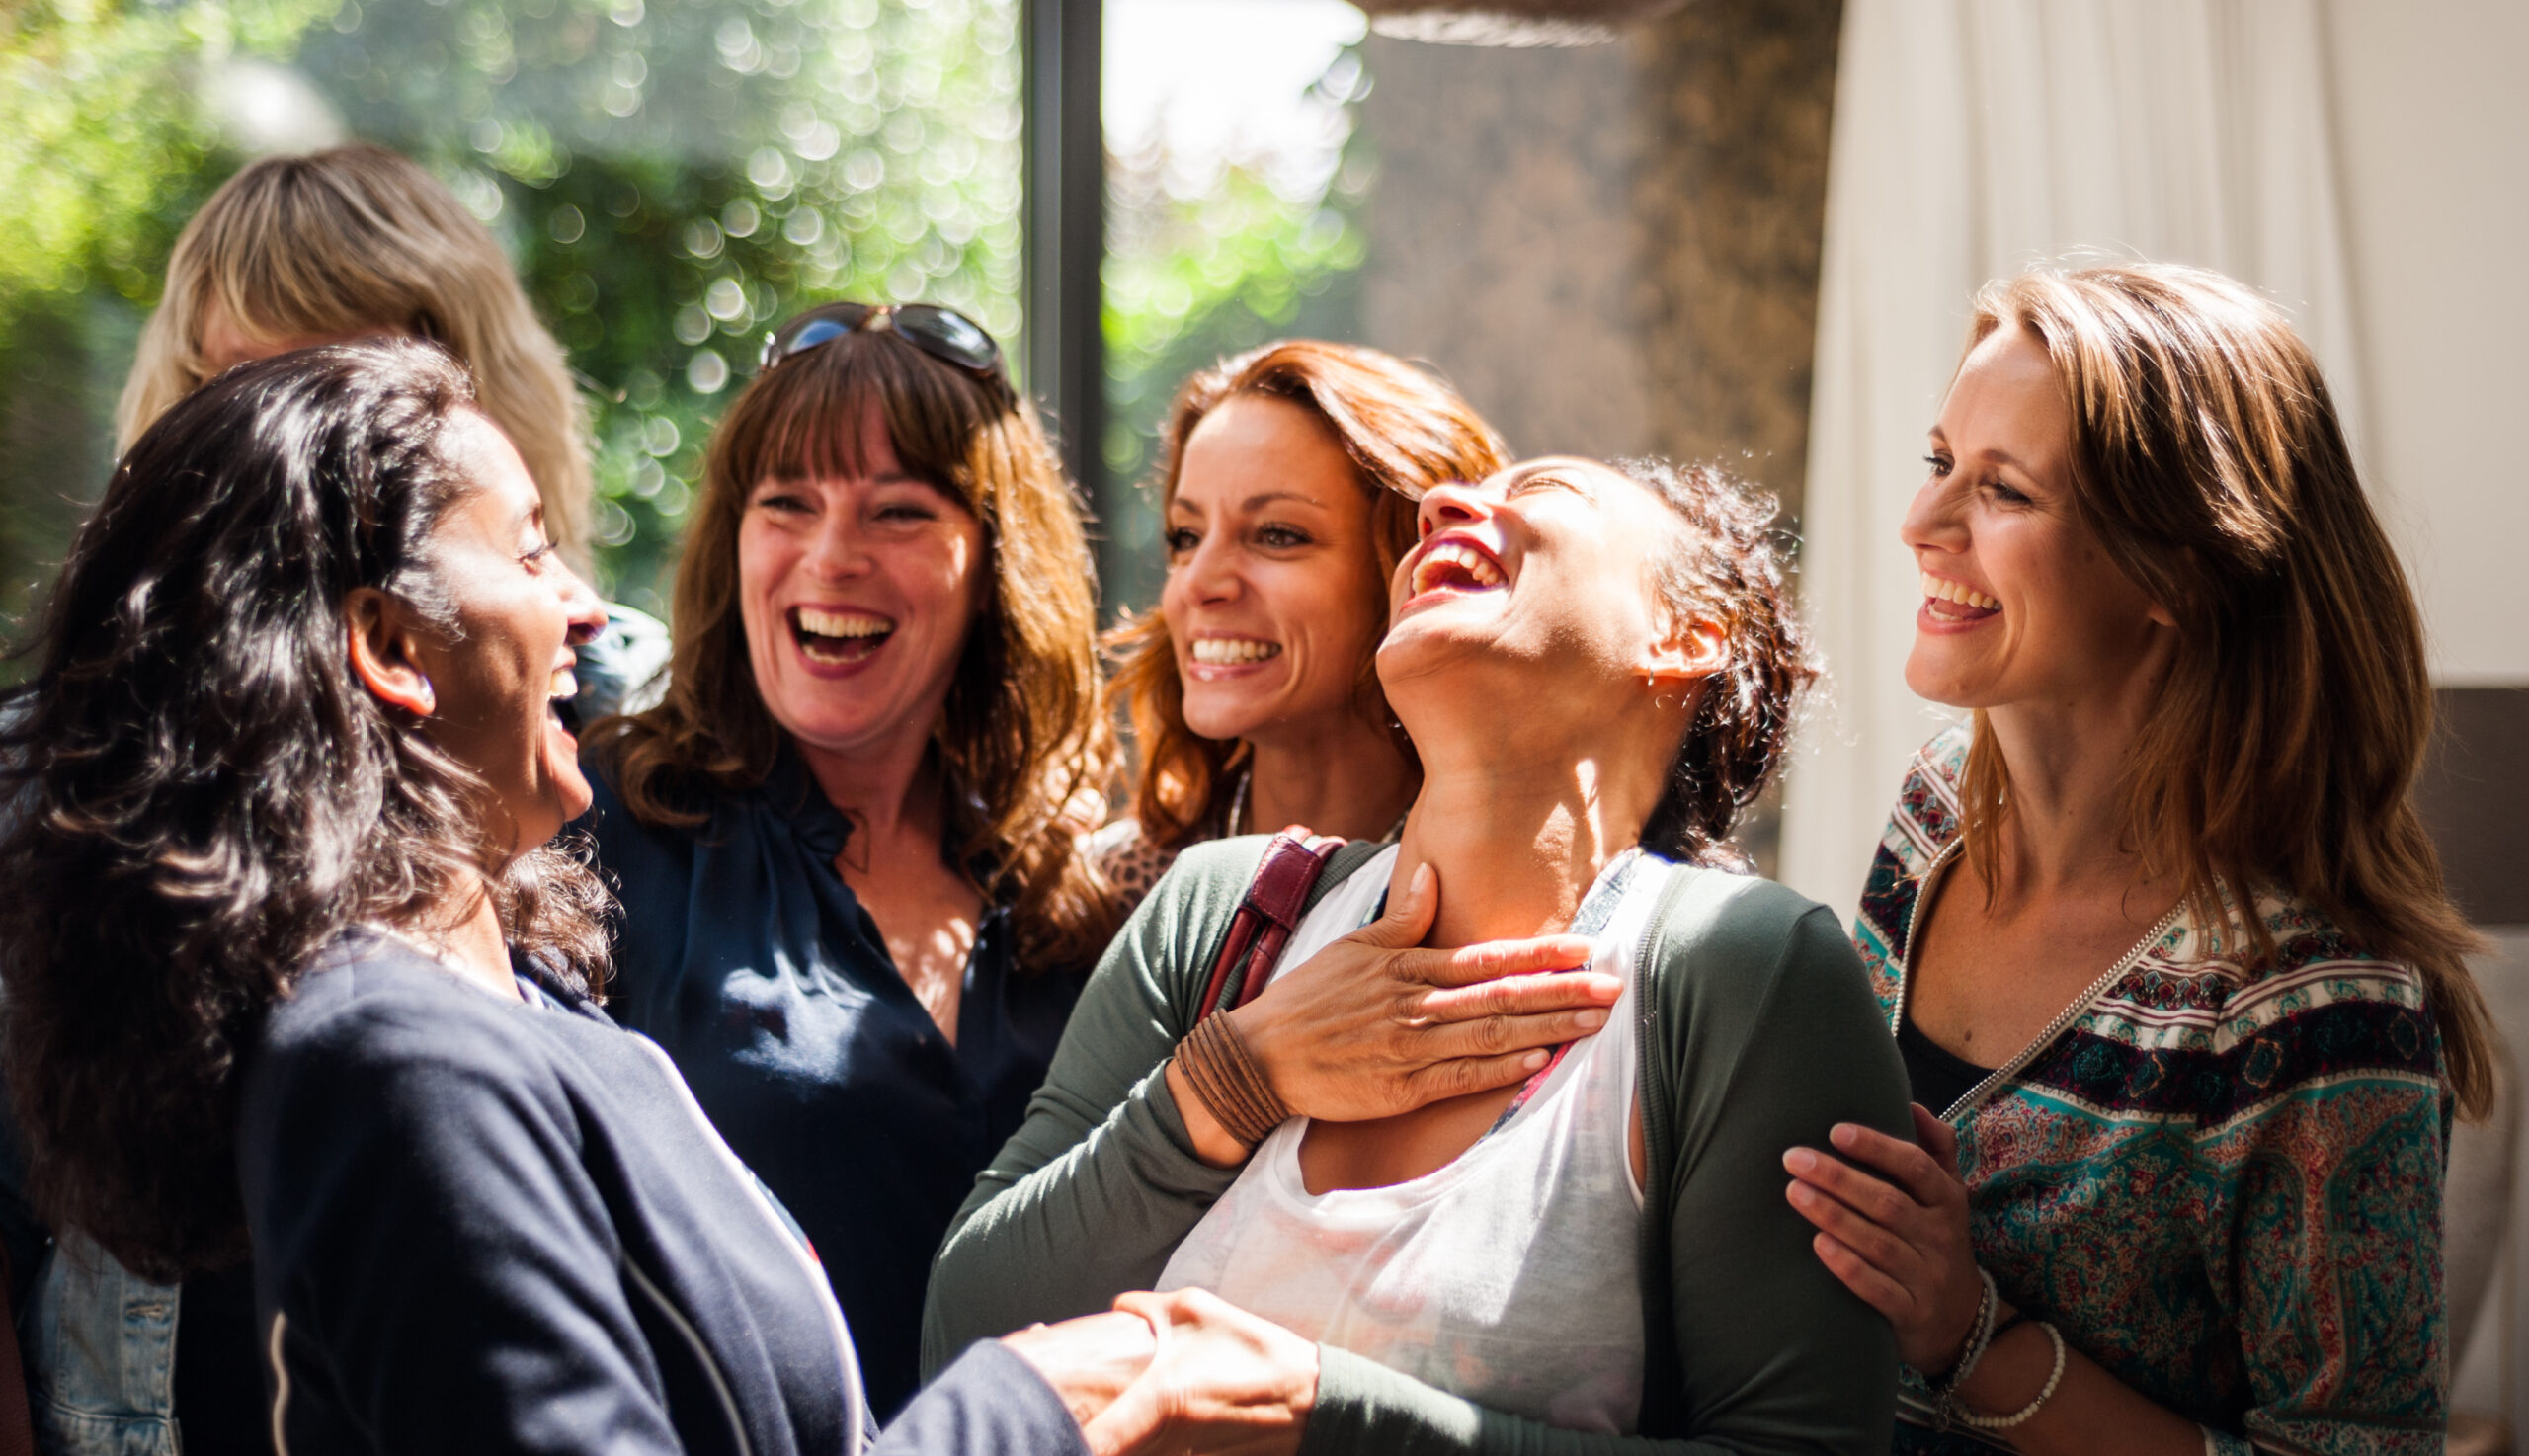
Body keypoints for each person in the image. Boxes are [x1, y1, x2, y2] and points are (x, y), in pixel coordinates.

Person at [0, 340, 1183, 1456]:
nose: (583, 604)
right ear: (391, 647)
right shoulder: (395, 1055)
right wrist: (1033, 1404)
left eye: (900, 508)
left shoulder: (516, 1000)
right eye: (526, 554)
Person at [928, 453, 1914, 1454]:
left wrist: (1312, 1410)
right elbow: (959, 1341)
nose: (1445, 506)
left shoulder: (1739, 968)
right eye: (1452, 500)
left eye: (1541, 494)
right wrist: (1232, 1079)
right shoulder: (1217, 910)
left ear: (1683, 636)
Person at [1780, 265, 2489, 1454]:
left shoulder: (2312, 1009)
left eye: (2001, 488)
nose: (1921, 523)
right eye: (1937, 460)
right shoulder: (1930, 813)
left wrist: (1972, 1336)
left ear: (2175, 566)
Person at [573, 301, 1124, 1419]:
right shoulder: (603, 833)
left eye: (897, 511)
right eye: (787, 502)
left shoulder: (1082, 880)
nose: (832, 556)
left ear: (992, 561)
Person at [114, 140, 670, 716]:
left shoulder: (652, 734)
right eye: (254, 388)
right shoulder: (61, 763)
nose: (306, 434)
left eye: (365, 386)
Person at [1093, 342, 1509, 904]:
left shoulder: (1512, 895)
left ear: (1422, 568)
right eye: (1186, 537)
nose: (1198, 583)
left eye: (1277, 535)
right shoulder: (1109, 891)